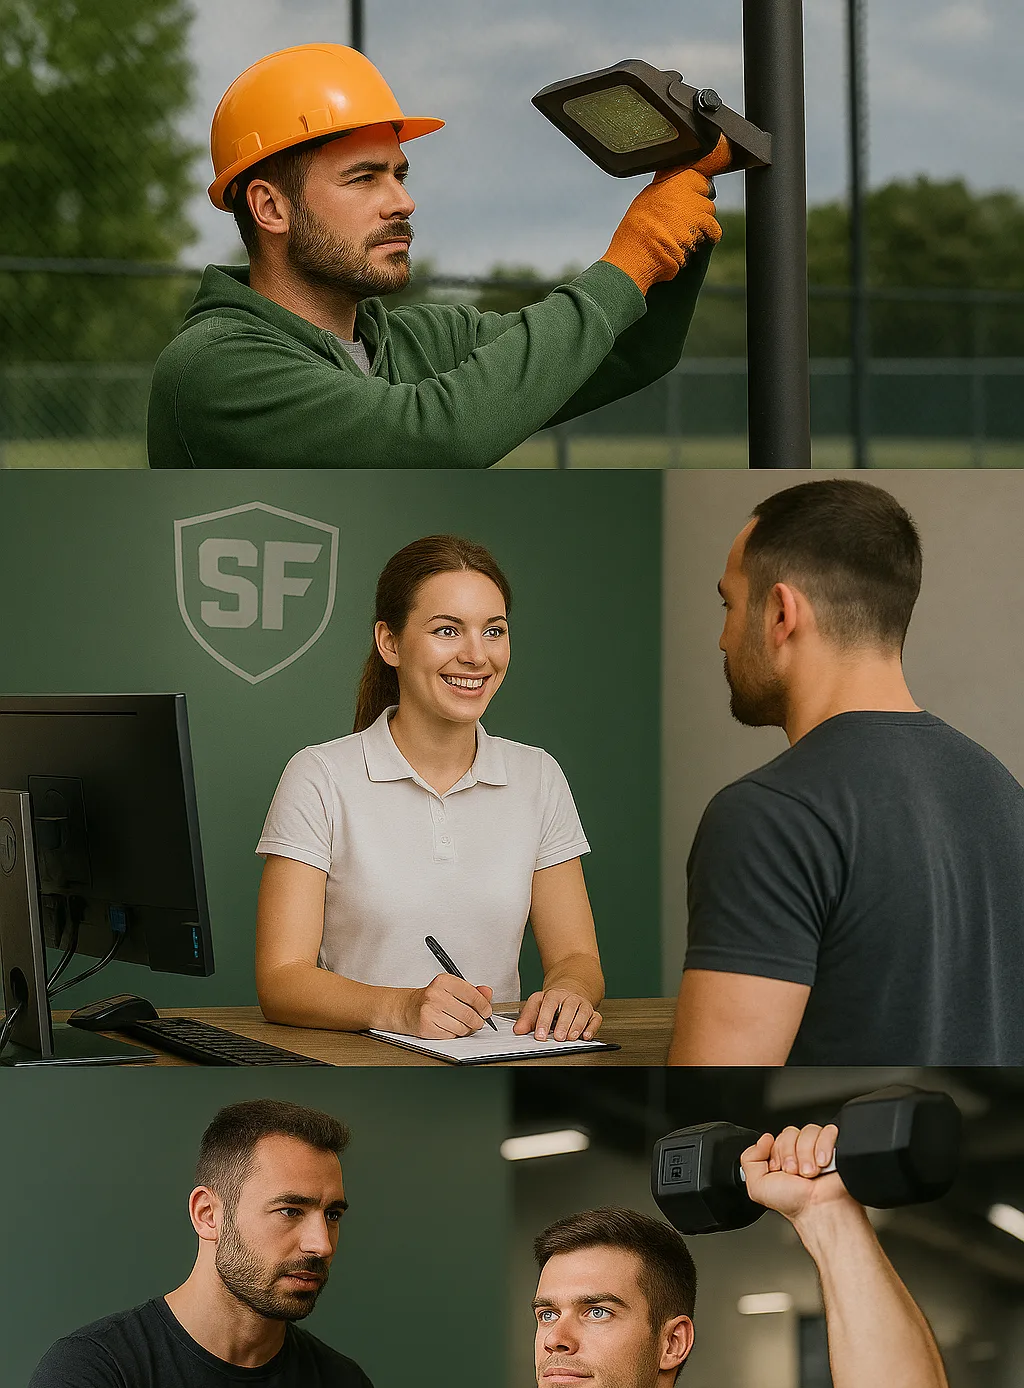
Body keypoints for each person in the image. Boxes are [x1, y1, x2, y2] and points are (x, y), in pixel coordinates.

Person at [147, 43, 728, 469]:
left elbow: (630, 351)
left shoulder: (417, 343)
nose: (402, 201)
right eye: (363, 179)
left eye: (399, 174)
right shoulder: (218, 368)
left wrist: (685, 195)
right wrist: (631, 257)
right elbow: (435, 440)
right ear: (271, 208)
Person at [444, 1123, 963, 1388]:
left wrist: (826, 1213)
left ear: (672, 1343)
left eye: (597, 1311)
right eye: (547, 1313)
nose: (557, 1337)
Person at [668, 477, 1024, 1068]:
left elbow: (715, 1093)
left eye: (729, 605)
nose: (723, 637)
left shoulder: (767, 816)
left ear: (782, 613)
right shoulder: (1004, 794)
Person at [19, 1099, 448, 1388]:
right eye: (290, 1211)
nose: (321, 1244)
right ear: (209, 1215)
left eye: (332, 1215)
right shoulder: (91, 1368)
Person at [255, 534, 603, 1042]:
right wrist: (399, 1007)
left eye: (494, 631)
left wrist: (569, 993)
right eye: (447, 630)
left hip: (493, 1058)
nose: (476, 655)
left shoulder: (539, 775)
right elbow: (281, 980)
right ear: (389, 643)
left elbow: (577, 957)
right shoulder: (318, 775)